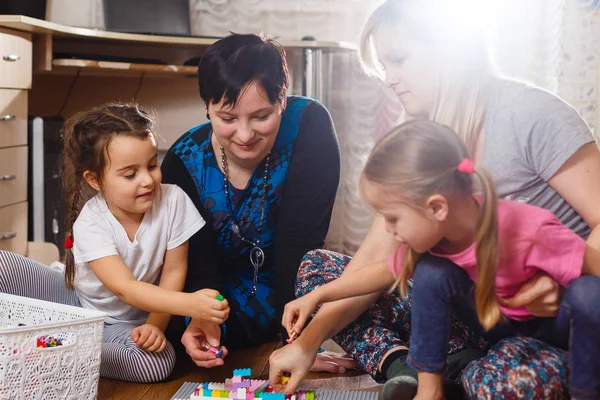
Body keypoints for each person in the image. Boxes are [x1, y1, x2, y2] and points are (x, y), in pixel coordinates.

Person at [269, 0, 600, 398]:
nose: (389, 79)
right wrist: (307, 342)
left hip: (552, 322)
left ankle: (464, 371)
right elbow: (379, 258)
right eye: (384, 66)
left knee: (510, 382)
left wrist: (559, 284)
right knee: (319, 270)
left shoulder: (531, 114)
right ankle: (421, 369)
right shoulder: (417, 137)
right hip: (477, 314)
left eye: (399, 60)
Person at [281, 120, 600, 399]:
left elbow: (592, 288)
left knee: (588, 294)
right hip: (496, 334)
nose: (389, 231)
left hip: (555, 340)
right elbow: (384, 272)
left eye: (393, 218)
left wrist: (557, 290)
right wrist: (318, 295)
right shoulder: (437, 238)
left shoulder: (530, 230)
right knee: (430, 271)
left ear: (437, 207)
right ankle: (431, 386)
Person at [0, 103, 230, 383]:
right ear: (95, 180)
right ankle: (53, 340)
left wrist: (155, 325)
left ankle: (56, 348)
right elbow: (125, 288)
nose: (147, 180)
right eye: (130, 174)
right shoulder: (91, 222)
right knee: (4, 264)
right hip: (74, 300)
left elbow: (173, 272)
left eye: (152, 165)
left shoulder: (174, 200)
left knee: (154, 364)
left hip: (122, 325)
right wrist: (189, 305)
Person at [160, 33, 341, 368]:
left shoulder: (308, 125)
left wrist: (301, 343)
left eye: (261, 117)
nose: (244, 135)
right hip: (216, 296)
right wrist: (205, 316)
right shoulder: (183, 161)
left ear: (282, 100)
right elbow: (199, 267)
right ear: (207, 108)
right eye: (227, 118)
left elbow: (300, 244)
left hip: (294, 285)